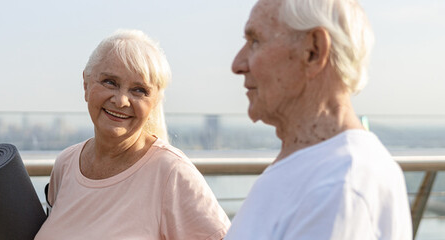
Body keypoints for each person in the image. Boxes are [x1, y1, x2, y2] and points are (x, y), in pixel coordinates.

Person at [225, 0, 412, 239]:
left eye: (255, 42)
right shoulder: (318, 169)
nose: (237, 65)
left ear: (313, 51)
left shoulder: (340, 185)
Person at [34, 29, 230, 240]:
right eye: (110, 82)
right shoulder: (66, 164)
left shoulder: (171, 173)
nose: (121, 101)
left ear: (154, 102)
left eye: (139, 90)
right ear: (86, 84)